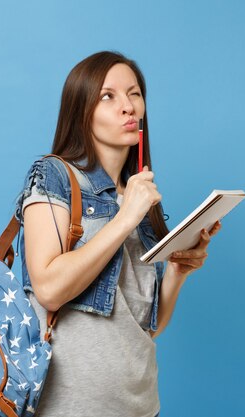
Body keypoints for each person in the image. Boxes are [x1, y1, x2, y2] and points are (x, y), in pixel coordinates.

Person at [14, 51, 221, 417]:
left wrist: (178, 270)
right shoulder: (55, 176)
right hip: (71, 408)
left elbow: (146, 328)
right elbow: (48, 289)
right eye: (108, 96)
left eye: (134, 94)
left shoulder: (138, 195)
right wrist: (124, 219)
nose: (127, 106)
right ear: (82, 110)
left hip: (141, 406)